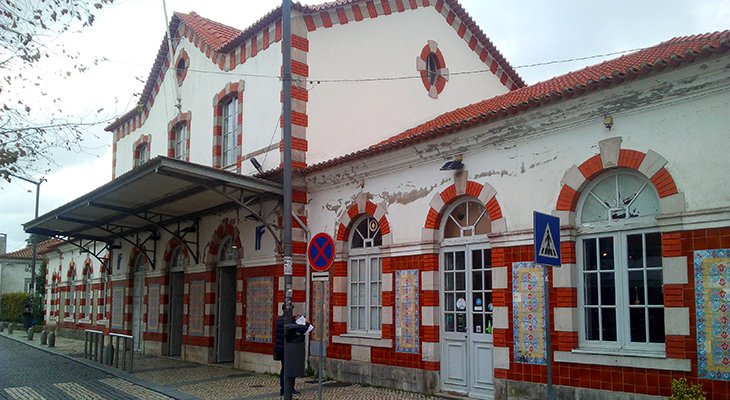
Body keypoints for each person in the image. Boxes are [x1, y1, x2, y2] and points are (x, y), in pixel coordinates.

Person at [274, 304, 310, 397]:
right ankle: (288, 389)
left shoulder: (279, 319)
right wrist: (307, 323)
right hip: (289, 349)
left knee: (284, 368)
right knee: (290, 369)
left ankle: (284, 389)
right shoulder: (288, 321)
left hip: (280, 348)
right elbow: (302, 330)